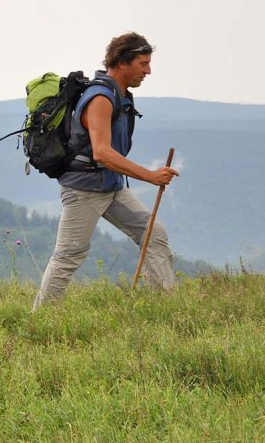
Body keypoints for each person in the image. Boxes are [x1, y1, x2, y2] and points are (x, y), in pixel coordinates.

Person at [33, 32, 179, 308]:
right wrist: (149, 176)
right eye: (143, 64)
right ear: (122, 63)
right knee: (68, 256)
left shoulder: (118, 94)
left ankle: (166, 306)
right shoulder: (101, 97)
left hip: (110, 187)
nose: (148, 71)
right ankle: (41, 319)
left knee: (153, 235)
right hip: (84, 190)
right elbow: (102, 152)